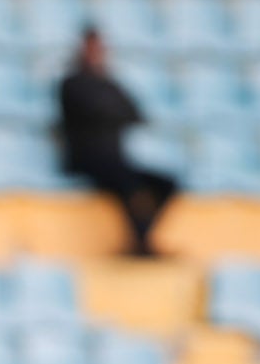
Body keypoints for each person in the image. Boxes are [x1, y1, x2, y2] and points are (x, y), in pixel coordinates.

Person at [58, 26, 179, 258]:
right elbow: (92, 114)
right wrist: (109, 112)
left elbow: (134, 113)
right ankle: (142, 242)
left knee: (166, 184)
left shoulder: (107, 82)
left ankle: (143, 238)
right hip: (88, 160)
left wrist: (106, 111)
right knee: (128, 187)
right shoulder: (71, 83)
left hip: (115, 160)